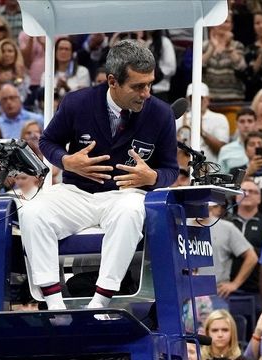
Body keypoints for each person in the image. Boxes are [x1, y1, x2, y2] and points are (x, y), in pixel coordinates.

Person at [18, 40, 178, 310]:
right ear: (112, 81)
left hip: (123, 195)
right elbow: (48, 142)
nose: (147, 93)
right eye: (138, 86)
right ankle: (54, 304)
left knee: (130, 210)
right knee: (31, 211)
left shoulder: (161, 114)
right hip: (76, 193)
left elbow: (171, 170)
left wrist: (152, 178)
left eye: (149, 84)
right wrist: (67, 161)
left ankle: (100, 302)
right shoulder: (77, 102)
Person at [177, 82, 230, 163]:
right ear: (188, 100)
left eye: (200, 98)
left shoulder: (219, 118)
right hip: (183, 170)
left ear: (207, 99)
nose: (196, 101)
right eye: (192, 98)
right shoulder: (178, 119)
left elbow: (222, 150)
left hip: (211, 171)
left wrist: (202, 132)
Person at [201, 17, 246, 103]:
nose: (222, 24)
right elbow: (199, 66)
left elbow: (241, 67)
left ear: (231, 25)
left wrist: (229, 47)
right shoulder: (204, 45)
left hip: (233, 98)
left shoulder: (237, 45)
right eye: (219, 20)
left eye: (226, 21)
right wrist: (212, 48)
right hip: (209, 99)